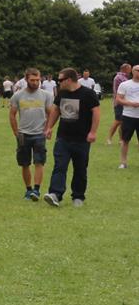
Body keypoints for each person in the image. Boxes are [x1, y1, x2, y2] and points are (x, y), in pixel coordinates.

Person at [45, 67, 100, 207]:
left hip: (82, 139)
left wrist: (93, 132)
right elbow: (56, 110)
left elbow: (96, 113)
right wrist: (49, 127)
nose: (59, 82)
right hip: (63, 138)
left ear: (69, 80)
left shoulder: (88, 94)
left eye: (61, 80)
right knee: (60, 166)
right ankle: (55, 194)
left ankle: (78, 197)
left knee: (80, 168)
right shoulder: (62, 93)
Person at [8, 68, 54, 200]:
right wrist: (16, 132)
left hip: (39, 134)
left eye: (38, 80)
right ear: (26, 79)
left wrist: (48, 128)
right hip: (23, 134)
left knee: (39, 162)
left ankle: (36, 190)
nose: (35, 83)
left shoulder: (46, 95)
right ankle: (28, 190)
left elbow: (51, 113)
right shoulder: (18, 95)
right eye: (32, 80)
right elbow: (12, 114)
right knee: (25, 163)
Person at [117, 68, 139, 169]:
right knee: (125, 140)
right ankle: (123, 162)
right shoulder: (125, 84)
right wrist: (131, 103)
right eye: (137, 70)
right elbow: (119, 99)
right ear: (133, 71)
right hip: (128, 115)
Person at [109, 64, 132, 143]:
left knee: (123, 122)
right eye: (129, 69)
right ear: (125, 69)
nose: (130, 71)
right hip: (119, 102)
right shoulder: (119, 77)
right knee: (117, 121)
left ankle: (121, 139)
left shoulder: (125, 77)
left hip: (124, 102)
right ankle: (109, 138)